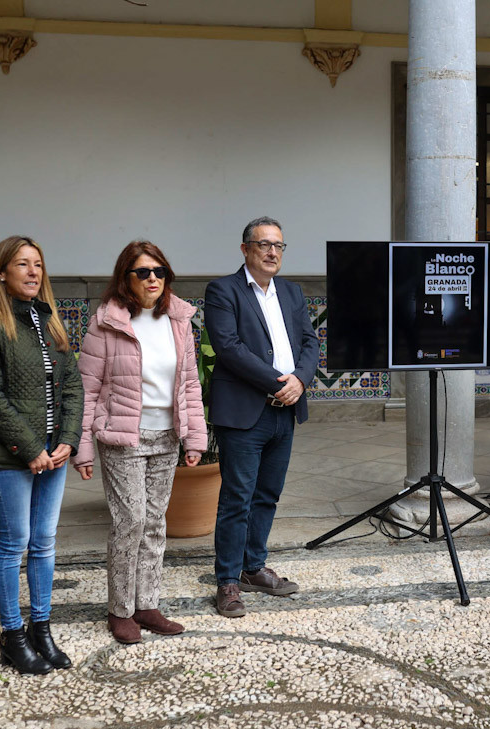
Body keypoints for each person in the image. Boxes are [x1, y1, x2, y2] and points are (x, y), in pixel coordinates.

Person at [75, 241, 207, 644]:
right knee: (129, 520)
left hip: (166, 436)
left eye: (159, 272)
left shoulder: (179, 321)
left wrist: (195, 437)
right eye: (143, 272)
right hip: (122, 437)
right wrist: (82, 446)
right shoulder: (106, 324)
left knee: (153, 523)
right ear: (125, 278)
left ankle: (147, 604)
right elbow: (87, 389)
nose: (153, 279)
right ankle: (120, 610)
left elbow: (189, 383)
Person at [0, 236, 83, 674]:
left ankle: (41, 629)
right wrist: (30, 448)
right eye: (22, 264)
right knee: (14, 542)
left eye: (38, 265)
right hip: (10, 455)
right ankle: (12, 635)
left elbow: (73, 385)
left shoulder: (52, 321)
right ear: (2, 273)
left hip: (54, 455)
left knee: (45, 543)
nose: (33, 272)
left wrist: (67, 441)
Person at [205, 216, 318, 617]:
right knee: (237, 498)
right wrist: (278, 382)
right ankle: (228, 581)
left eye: (279, 246)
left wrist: (301, 381)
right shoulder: (223, 290)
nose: (273, 252)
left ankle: (253, 567)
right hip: (244, 413)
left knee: (267, 495)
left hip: (285, 411)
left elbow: (310, 340)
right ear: (245, 250)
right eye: (264, 245)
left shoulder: (291, 291)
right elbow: (229, 348)